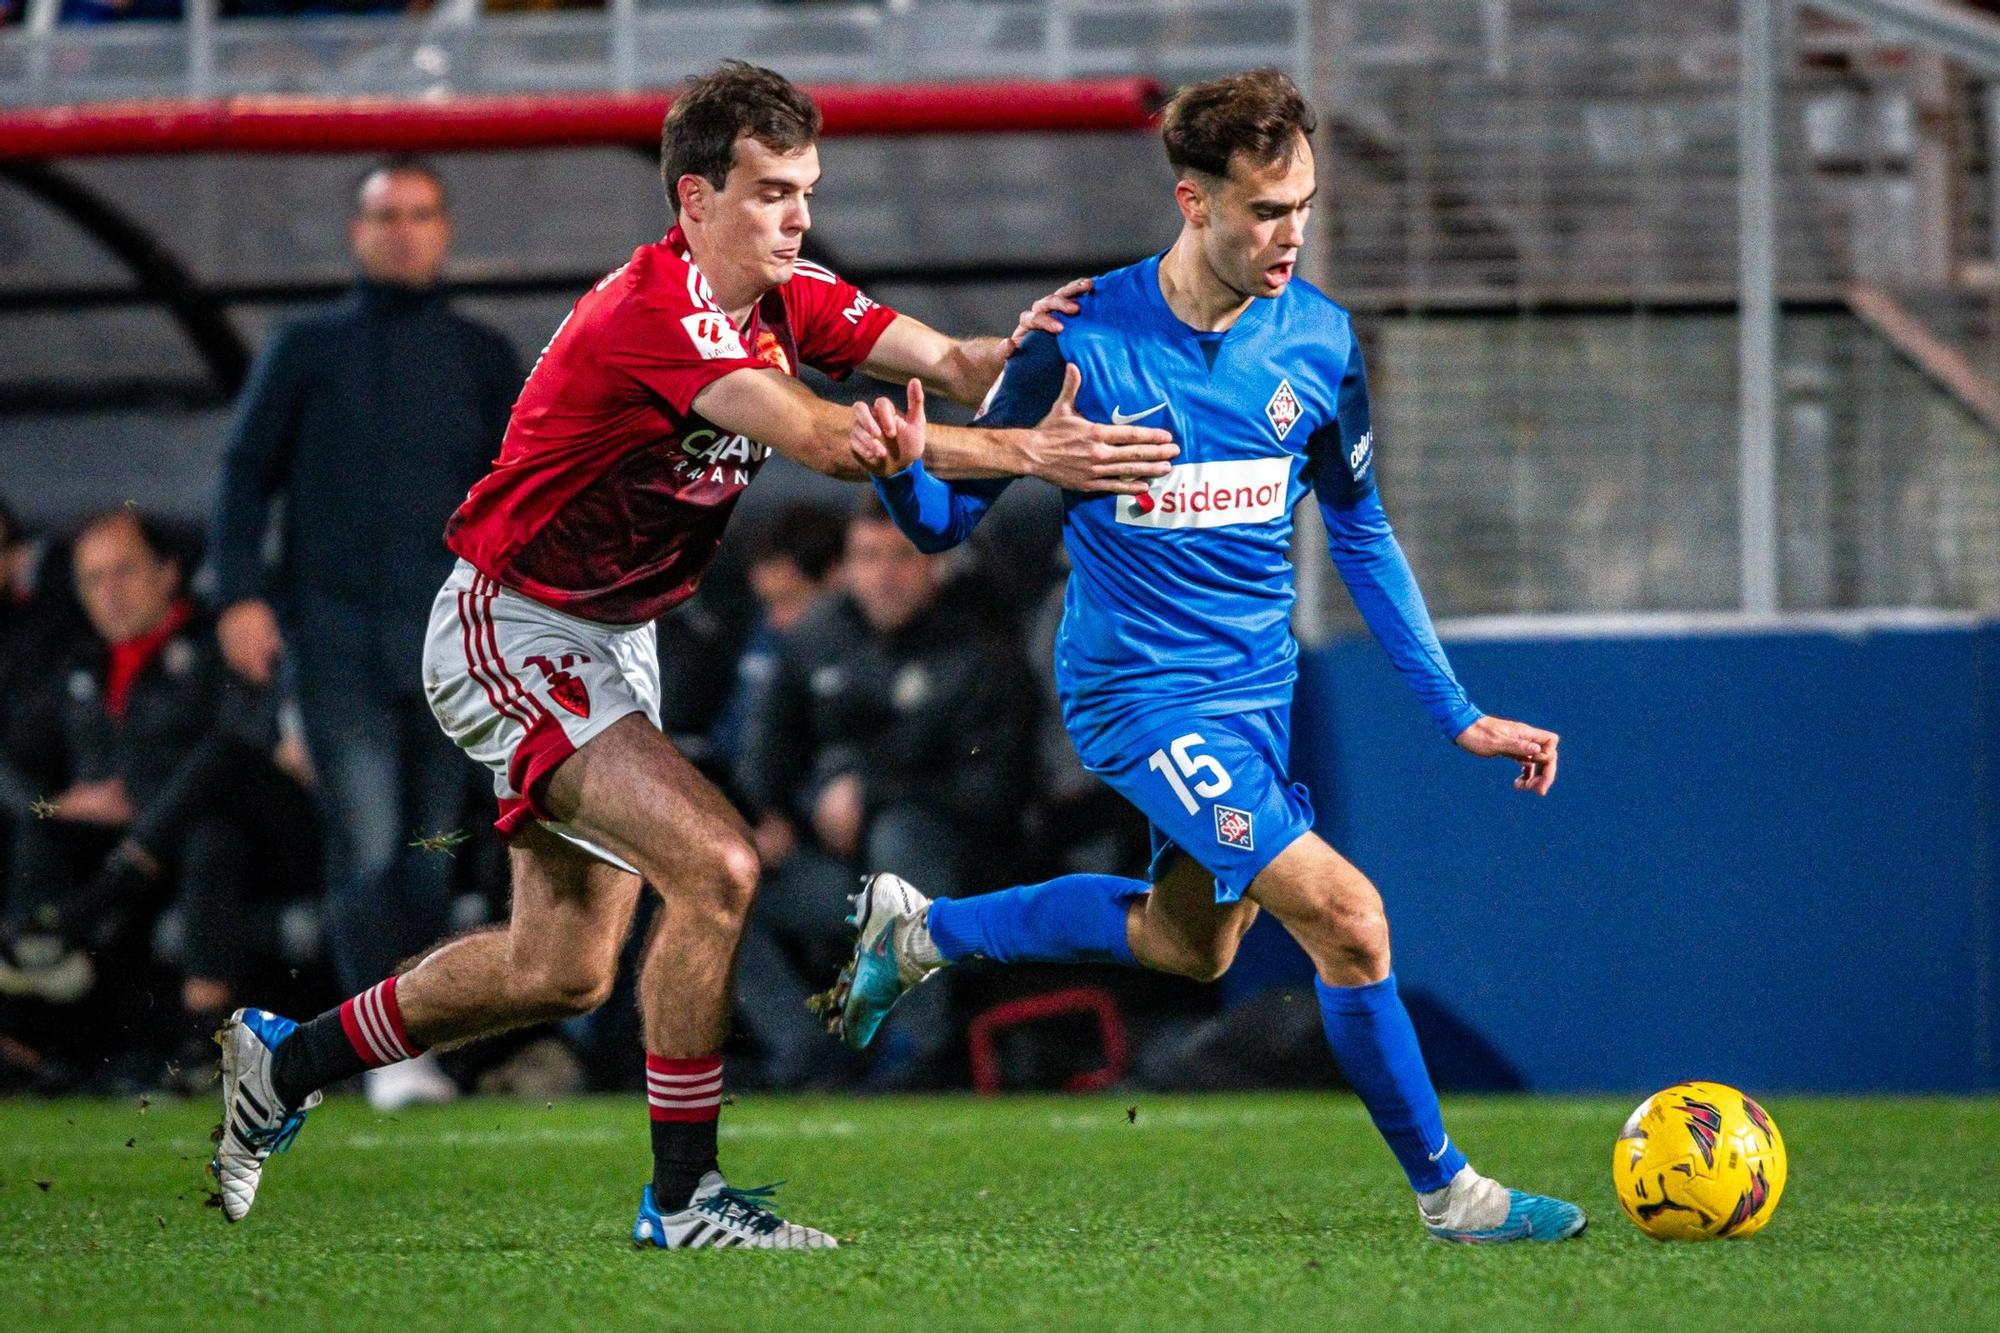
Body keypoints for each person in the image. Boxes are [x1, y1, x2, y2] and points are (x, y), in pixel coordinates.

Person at [210, 60, 1177, 1249]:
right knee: (718, 863)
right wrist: (1034, 457)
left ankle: (283, 1061)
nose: (797, 217)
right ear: (693, 200)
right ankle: (683, 1200)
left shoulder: (792, 291)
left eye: (805, 190)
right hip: (512, 623)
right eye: (771, 191)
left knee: (558, 967)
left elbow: (956, 363)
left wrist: (1033, 351)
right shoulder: (655, 314)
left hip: (613, 639)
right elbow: (824, 437)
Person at [828, 69, 1587, 1245]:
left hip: (1251, 700)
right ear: (1192, 200)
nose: (1289, 235)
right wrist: (901, 466)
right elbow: (946, 524)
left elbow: (1360, 531)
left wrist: (1456, 712)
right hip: (1132, 694)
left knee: (1186, 946)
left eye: (1302, 206)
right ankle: (1450, 1191)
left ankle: (917, 932)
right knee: (1348, 917)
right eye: (1262, 210)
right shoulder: (1082, 334)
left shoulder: (1320, 342)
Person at [210, 155, 524, 1110]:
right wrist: (238, 594)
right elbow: (241, 472)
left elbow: (516, 494)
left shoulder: (480, 352)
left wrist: (517, 615)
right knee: (370, 844)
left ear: (445, 230)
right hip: (335, 636)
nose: (403, 230)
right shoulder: (303, 345)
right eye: (386, 214)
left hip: (450, 642)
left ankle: (406, 1043)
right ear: (357, 231)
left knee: (431, 847)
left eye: (421, 213)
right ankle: (386, 1056)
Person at [735, 493, 1037, 1086]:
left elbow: (995, 799)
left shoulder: (980, 653)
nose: (883, 576)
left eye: (901, 558)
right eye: (867, 558)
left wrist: (873, 794)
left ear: (935, 564)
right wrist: (763, 815)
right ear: (846, 566)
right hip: (842, 881)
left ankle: (917, 1047)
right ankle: (806, 1053)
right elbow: (765, 757)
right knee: (718, 884)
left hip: (958, 882)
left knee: (904, 837)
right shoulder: (815, 640)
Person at [0, 511, 308, 1061]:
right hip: (129, 857)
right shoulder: (81, 666)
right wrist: (55, 803)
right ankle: (31, 1008)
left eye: (124, 573)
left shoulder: (218, 645)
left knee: (211, 828)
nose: (108, 593)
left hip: (248, 846)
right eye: (92, 580)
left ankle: (201, 1038)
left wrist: (141, 815)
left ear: (169, 573)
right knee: (39, 824)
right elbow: (15, 756)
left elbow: (242, 750)